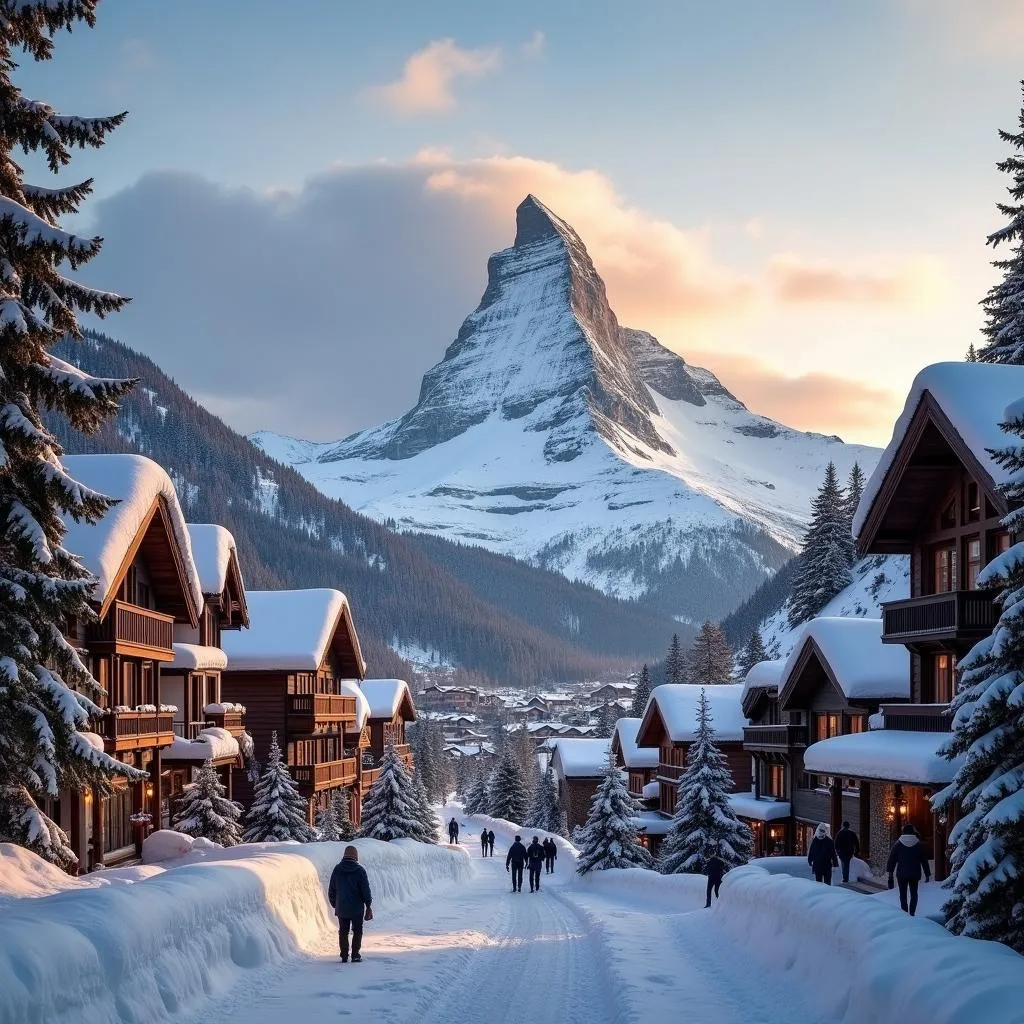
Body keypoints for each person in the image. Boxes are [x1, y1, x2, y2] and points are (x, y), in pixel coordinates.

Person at [327, 845, 373, 963]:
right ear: (356, 856)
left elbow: (331, 889)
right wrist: (368, 904)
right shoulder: (360, 871)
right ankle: (355, 955)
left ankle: (344, 955)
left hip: (342, 907)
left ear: (344, 855)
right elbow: (365, 890)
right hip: (357, 908)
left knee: (343, 931)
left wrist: (335, 904)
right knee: (357, 930)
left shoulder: (337, 869)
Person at [887, 824, 931, 916]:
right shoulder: (918, 844)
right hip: (915, 873)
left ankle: (904, 913)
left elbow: (892, 859)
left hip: (901, 874)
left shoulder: (898, 844)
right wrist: (927, 874)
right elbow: (924, 860)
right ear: (913, 832)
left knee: (903, 894)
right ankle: (912, 913)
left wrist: (890, 872)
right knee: (914, 894)